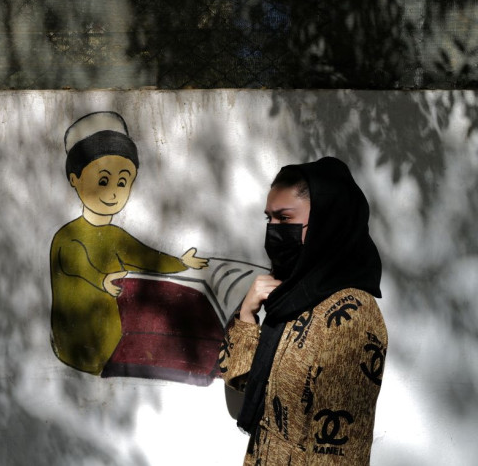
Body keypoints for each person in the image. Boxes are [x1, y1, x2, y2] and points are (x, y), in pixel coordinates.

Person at [219, 157, 387, 465]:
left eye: (285, 219)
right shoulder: (292, 297)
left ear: (326, 222)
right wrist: (246, 314)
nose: (273, 231)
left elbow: (340, 454)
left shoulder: (351, 316)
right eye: (269, 219)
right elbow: (241, 379)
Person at [50, 111, 208, 375]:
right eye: (103, 180)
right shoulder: (67, 236)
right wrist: (102, 279)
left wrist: (181, 263)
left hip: (114, 341)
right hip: (79, 349)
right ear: (74, 179)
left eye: (122, 181)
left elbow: (145, 256)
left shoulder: (116, 235)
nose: (113, 191)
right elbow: (77, 262)